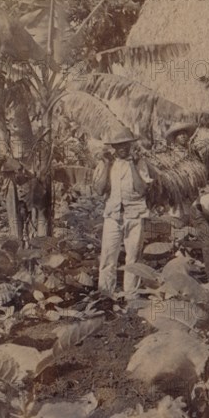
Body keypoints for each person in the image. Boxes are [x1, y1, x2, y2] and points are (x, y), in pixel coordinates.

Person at [92, 127, 153, 297]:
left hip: (135, 215)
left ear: (130, 145)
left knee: (133, 257)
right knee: (108, 257)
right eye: (119, 145)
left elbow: (141, 190)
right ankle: (105, 294)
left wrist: (133, 164)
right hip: (113, 216)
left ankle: (130, 296)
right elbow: (99, 190)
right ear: (113, 147)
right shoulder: (107, 164)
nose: (123, 148)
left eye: (125, 144)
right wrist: (106, 164)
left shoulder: (139, 163)